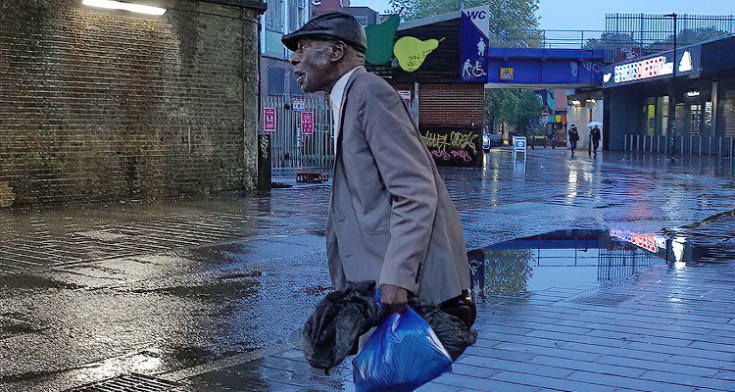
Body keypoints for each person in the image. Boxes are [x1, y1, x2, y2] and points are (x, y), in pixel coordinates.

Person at [282, 13, 474, 323]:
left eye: (303, 48)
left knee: (390, 367)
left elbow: (415, 191)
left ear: (336, 51)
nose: (293, 59)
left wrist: (398, 278)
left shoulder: (370, 93)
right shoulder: (348, 98)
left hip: (391, 285)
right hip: (373, 278)